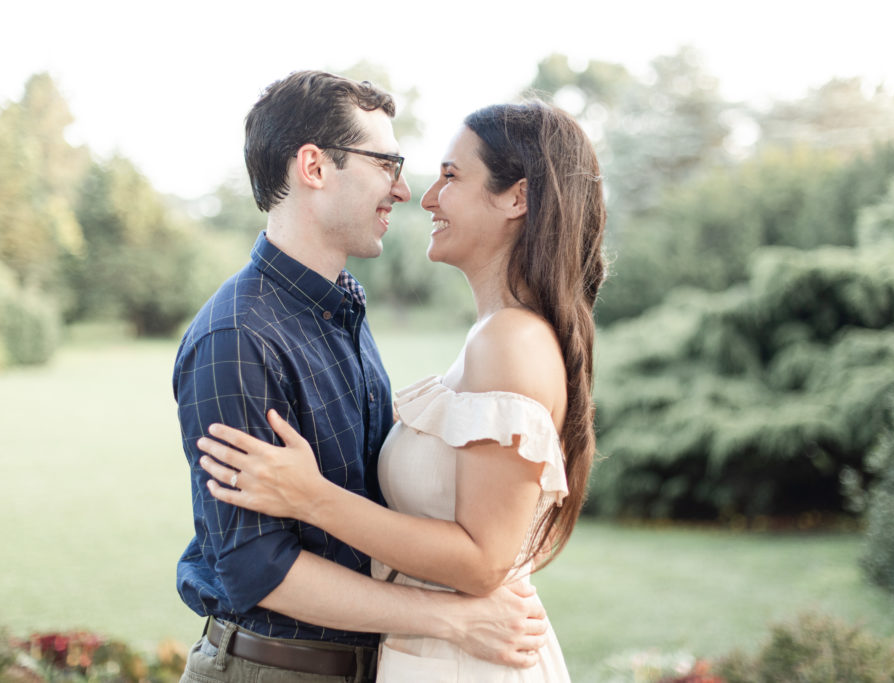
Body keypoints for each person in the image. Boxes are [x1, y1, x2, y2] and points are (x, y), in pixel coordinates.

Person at [196, 100, 607, 681]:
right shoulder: (249, 331)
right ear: (313, 168)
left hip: (470, 658)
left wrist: (311, 496)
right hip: (440, 647)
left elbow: (483, 562)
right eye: (387, 164)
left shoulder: (509, 341)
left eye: (450, 175)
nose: (421, 194)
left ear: (517, 198)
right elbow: (251, 562)